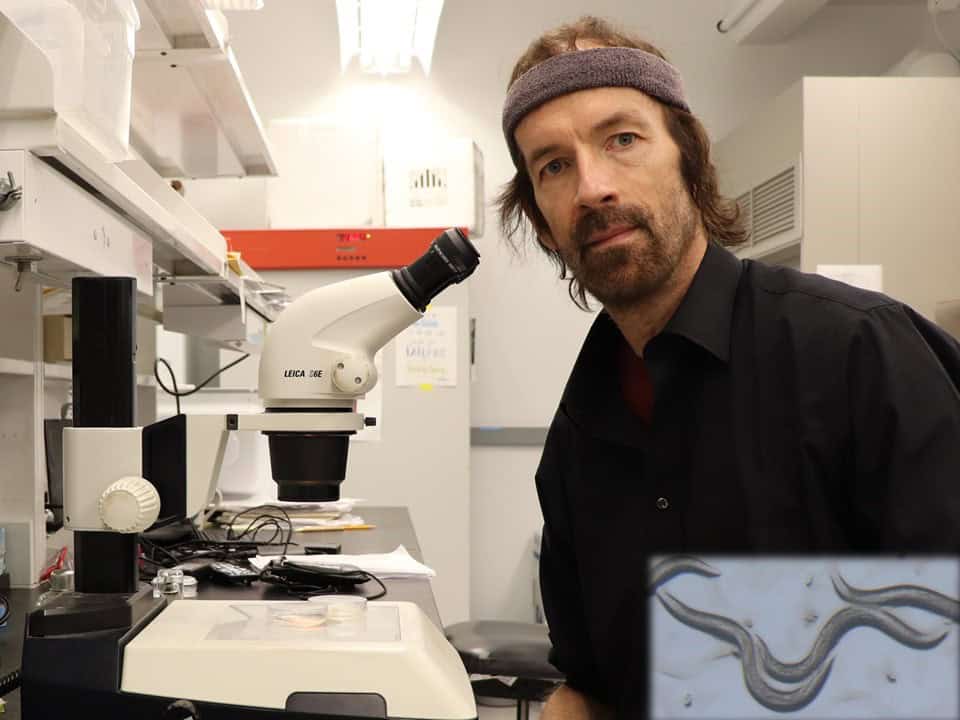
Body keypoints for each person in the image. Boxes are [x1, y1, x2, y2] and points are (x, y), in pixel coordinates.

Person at [496, 15, 960, 719]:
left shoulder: (860, 354)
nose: (592, 187)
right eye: (553, 165)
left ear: (688, 155)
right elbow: (587, 685)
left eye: (622, 139)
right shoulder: (580, 430)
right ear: (542, 222)